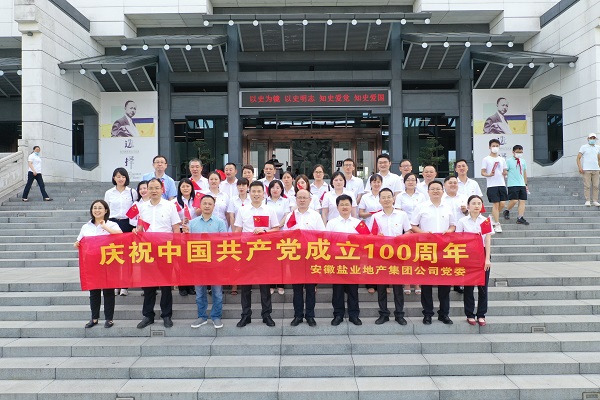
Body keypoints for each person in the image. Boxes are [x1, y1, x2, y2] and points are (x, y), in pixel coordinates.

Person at [233, 181, 280, 328]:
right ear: (249, 192)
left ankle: (266, 315)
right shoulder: (242, 210)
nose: (256, 194)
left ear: (263, 193)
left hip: (264, 252)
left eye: (259, 191)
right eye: (253, 191)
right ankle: (245, 315)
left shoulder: (270, 210)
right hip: (247, 252)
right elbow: (237, 231)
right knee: (245, 286)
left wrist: (265, 231)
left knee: (265, 286)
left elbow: (276, 229)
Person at [136, 178, 181, 329]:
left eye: (156, 188)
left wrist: (176, 248)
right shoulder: (143, 207)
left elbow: (176, 228)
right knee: (148, 283)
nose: (154, 191)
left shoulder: (170, 206)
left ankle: (166, 315)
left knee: (166, 284)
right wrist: (136, 232)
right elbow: (140, 227)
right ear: (147, 190)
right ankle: (148, 315)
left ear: (162, 190)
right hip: (147, 249)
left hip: (165, 248)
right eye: (151, 188)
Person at [411, 180, 456, 325]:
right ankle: (427, 313)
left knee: (445, 283)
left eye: (438, 189)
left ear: (443, 191)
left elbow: (453, 225)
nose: (435, 191)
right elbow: (413, 225)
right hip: (426, 249)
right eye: (433, 189)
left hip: (444, 249)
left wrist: (448, 231)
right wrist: (424, 233)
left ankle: (444, 313)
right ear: (428, 191)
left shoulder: (448, 207)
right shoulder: (421, 207)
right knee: (426, 283)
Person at [74, 200, 122, 328]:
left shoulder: (112, 224)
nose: (97, 210)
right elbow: (79, 241)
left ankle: (109, 318)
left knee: (108, 291)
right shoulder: (86, 226)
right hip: (92, 264)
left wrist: (105, 227)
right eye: (94, 208)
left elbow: (121, 236)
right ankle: (94, 318)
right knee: (94, 292)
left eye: (100, 208)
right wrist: (77, 244)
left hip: (108, 262)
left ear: (106, 210)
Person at [282, 189, 326, 327]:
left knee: (311, 288)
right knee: (297, 289)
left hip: (311, 256)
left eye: (304, 198)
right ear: (296, 200)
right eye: (299, 198)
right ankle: (298, 315)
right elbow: (284, 235)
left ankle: (310, 316)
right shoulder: (290, 216)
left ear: (310, 200)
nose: (302, 200)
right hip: (295, 257)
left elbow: (322, 235)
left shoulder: (315, 216)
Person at [184, 195, 227, 329]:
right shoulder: (192, 223)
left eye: (210, 204)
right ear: (200, 206)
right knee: (200, 292)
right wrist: (185, 235)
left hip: (215, 262)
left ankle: (216, 316)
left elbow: (224, 242)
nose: (207, 206)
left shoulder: (220, 222)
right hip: (198, 261)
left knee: (217, 292)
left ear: (214, 206)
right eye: (204, 203)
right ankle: (202, 316)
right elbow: (187, 243)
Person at [372, 188, 411, 325]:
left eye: (389, 197)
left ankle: (399, 314)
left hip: (397, 255)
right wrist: (377, 237)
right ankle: (383, 314)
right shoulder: (375, 217)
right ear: (379, 200)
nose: (386, 200)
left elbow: (408, 232)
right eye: (383, 197)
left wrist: (401, 237)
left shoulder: (402, 215)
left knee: (397, 287)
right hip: (381, 256)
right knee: (381, 287)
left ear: (393, 199)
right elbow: (370, 235)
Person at [326, 194, 363, 326]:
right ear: (337, 207)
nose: (344, 207)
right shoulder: (331, 223)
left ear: (351, 206)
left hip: (353, 260)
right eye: (341, 205)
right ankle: (338, 315)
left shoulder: (358, 223)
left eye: (347, 204)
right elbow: (327, 242)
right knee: (338, 290)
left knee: (353, 289)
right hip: (337, 260)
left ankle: (354, 315)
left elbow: (366, 241)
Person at [456, 195, 492, 326]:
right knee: (468, 286)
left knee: (483, 286)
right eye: (473, 203)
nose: (476, 206)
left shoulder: (486, 221)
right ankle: (469, 314)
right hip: (468, 255)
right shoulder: (462, 221)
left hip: (482, 254)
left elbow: (487, 240)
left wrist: (487, 258)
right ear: (468, 206)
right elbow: (458, 239)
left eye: (479, 203)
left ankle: (481, 314)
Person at [104, 167, 136, 297]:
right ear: (114, 178)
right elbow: (105, 210)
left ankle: (125, 286)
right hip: (113, 224)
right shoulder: (109, 193)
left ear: (126, 178)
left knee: (127, 256)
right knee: (115, 254)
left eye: (123, 176)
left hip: (127, 224)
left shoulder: (132, 192)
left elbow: (136, 209)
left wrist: (134, 226)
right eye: (118, 176)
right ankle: (116, 284)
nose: (120, 179)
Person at [394, 172, 426, 297]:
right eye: (408, 180)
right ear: (404, 182)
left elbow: (423, 212)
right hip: (405, 229)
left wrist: (415, 227)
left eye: (413, 180)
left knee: (417, 256)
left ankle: (417, 282)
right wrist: (408, 227)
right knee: (405, 256)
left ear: (416, 182)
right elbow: (398, 212)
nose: (411, 182)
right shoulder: (400, 196)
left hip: (418, 229)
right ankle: (406, 282)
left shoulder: (421, 196)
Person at [265, 179, 291, 295]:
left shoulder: (285, 201)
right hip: (268, 233)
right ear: (269, 189)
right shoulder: (265, 201)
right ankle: (271, 284)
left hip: (281, 233)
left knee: (281, 259)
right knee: (270, 260)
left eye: (277, 187)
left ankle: (281, 284)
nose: (275, 190)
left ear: (281, 189)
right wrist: (272, 228)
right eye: (273, 187)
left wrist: (278, 225)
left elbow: (287, 215)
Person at [358, 174, 383, 295]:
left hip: (382, 230)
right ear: (370, 183)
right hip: (369, 229)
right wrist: (372, 213)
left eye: (378, 182)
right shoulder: (365, 197)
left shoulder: (385, 195)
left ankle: (383, 284)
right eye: (374, 182)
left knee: (383, 257)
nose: (376, 184)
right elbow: (360, 213)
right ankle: (370, 284)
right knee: (370, 257)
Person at [175, 178, 197, 297]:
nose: (185, 188)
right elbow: (172, 218)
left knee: (192, 260)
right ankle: (182, 286)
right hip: (181, 231)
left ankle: (191, 285)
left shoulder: (196, 200)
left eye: (188, 186)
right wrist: (181, 222)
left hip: (193, 232)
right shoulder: (174, 202)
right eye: (183, 186)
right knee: (181, 260)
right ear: (179, 188)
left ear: (191, 188)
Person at [481, 139, 508, 233]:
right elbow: (482, 172)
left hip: (501, 184)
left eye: (497, 146)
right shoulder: (486, 159)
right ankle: (497, 224)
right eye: (493, 146)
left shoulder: (502, 159)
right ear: (490, 147)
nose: (495, 147)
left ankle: (492, 216)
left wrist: (505, 173)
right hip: (492, 185)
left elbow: (505, 170)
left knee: (503, 204)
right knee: (496, 204)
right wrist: (489, 175)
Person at [504, 145, 530, 225]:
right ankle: (507, 210)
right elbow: (505, 171)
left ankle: (520, 217)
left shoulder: (523, 161)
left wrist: (525, 184)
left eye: (521, 152)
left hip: (521, 184)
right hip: (512, 184)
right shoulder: (508, 161)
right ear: (513, 152)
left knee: (522, 201)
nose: (519, 153)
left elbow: (524, 173)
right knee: (514, 200)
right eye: (518, 152)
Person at [577, 133, 600, 206]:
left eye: (594, 138)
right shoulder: (583, 147)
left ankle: (595, 201)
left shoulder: (598, 147)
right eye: (591, 138)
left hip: (596, 169)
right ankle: (587, 200)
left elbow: (599, 158)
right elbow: (578, 158)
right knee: (587, 186)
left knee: (596, 186)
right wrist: (580, 167)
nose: (592, 139)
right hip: (586, 169)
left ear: (595, 139)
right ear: (588, 139)